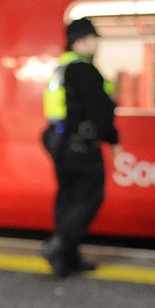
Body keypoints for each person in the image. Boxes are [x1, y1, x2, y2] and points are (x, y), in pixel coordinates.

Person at [41, 17, 119, 276]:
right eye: (94, 40)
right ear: (81, 42)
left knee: (68, 198)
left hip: (60, 143)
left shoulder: (62, 69)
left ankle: (68, 260)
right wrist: (112, 138)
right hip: (82, 145)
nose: (97, 45)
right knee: (90, 196)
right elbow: (100, 110)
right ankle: (60, 244)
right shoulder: (85, 70)